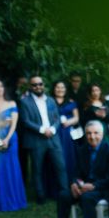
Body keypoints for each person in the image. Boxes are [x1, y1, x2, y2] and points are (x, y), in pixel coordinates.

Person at [50, 121, 109, 218]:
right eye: (89, 133)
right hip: (84, 186)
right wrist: (74, 183)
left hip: (104, 188)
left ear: (102, 134)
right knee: (63, 195)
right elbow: (76, 172)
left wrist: (94, 186)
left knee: (86, 198)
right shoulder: (82, 150)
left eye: (96, 133)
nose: (92, 136)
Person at [19, 75, 68, 204]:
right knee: (37, 169)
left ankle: (65, 193)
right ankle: (40, 196)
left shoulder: (51, 100)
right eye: (34, 85)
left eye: (40, 84)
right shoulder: (25, 101)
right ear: (31, 87)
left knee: (61, 166)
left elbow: (57, 118)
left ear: (43, 85)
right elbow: (25, 121)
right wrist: (42, 129)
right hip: (36, 139)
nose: (38, 87)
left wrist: (52, 129)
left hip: (53, 137)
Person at [0, 79, 27, 212]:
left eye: (0, 86)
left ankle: (13, 200)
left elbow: (13, 124)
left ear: (4, 89)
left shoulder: (11, 103)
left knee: (11, 168)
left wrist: (7, 139)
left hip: (10, 138)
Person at [52, 80, 80, 183]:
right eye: (57, 87)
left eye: (62, 87)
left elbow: (76, 118)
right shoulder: (49, 101)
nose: (60, 90)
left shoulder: (71, 102)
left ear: (66, 89)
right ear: (54, 89)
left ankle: (69, 183)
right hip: (54, 132)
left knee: (67, 156)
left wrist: (68, 122)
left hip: (67, 133)